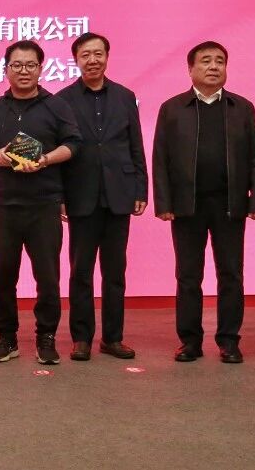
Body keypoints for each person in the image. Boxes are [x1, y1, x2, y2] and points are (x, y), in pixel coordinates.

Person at [152, 41, 255, 364]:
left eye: (219, 61)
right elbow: (160, 159)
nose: (213, 66)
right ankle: (190, 341)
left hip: (230, 204)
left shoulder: (242, 108)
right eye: (205, 61)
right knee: (188, 276)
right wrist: (163, 203)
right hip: (187, 205)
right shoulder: (172, 108)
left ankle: (229, 341)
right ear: (190, 69)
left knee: (231, 274)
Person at [0, 39, 80, 365]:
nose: (23, 71)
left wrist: (45, 160)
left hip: (44, 205)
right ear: (6, 70)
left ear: (40, 68)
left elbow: (74, 144)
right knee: (4, 275)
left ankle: (46, 337)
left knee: (48, 277)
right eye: (16, 65)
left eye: (30, 65)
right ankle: (7, 338)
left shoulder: (57, 106)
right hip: (4, 205)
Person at [57, 33, 147, 361]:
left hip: (119, 194)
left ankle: (113, 338)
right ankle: (81, 338)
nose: (92, 60)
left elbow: (135, 145)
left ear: (107, 57)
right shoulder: (63, 100)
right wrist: (59, 196)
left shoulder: (125, 96)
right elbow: (60, 151)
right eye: (85, 55)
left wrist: (141, 188)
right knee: (80, 272)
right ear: (76, 60)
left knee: (115, 272)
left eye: (98, 54)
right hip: (80, 195)